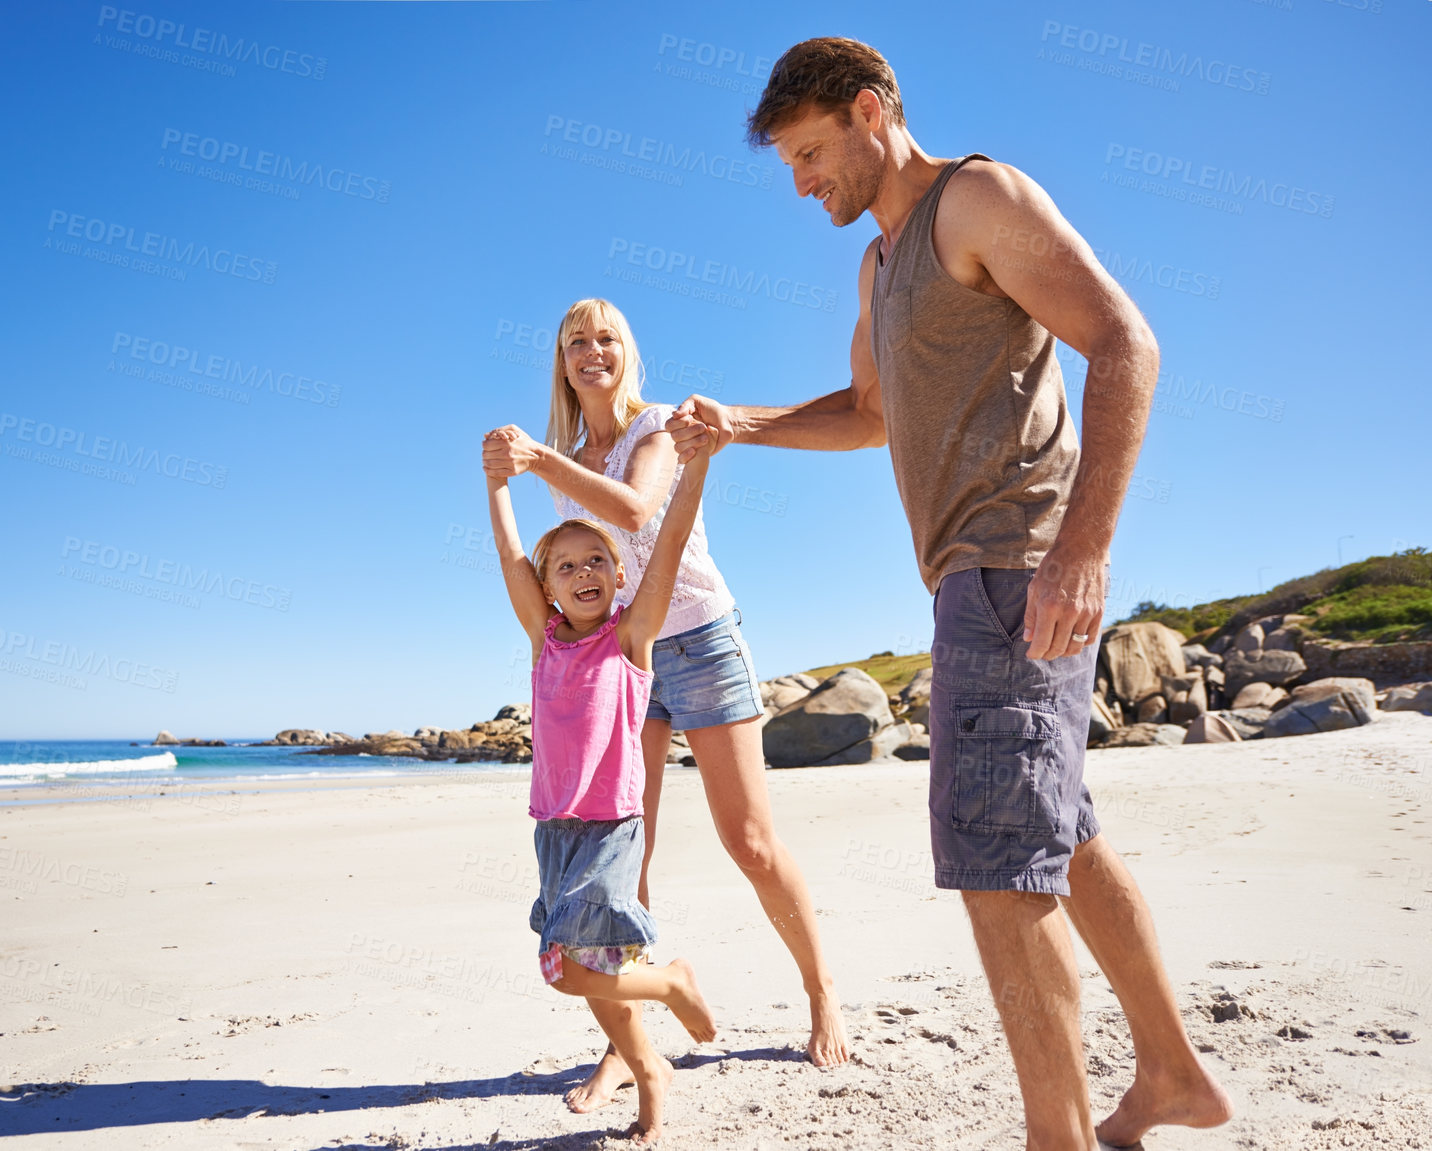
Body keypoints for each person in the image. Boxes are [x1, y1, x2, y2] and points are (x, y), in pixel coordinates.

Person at [666, 37, 1232, 1151]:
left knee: (995, 864)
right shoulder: (878, 267)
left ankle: (1054, 1136)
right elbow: (872, 410)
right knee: (1056, 833)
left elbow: (1124, 343)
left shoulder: (976, 199)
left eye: (811, 151)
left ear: (872, 112)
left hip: (1014, 570)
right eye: (786, 162)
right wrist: (743, 424)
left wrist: (1082, 549)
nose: (800, 181)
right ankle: (1167, 1069)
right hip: (973, 577)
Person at [483, 298, 849, 1099]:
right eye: (575, 341)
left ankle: (821, 992)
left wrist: (537, 460)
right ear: (561, 360)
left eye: (606, 338)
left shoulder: (655, 428)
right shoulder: (569, 460)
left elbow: (639, 511)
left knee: (749, 840)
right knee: (626, 853)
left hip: (701, 640)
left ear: (628, 351)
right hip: (622, 660)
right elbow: (570, 576)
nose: (591, 351)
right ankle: (632, 1041)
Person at [484, 430, 718, 1147]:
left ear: (618, 578)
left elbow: (671, 540)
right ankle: (650, 1070)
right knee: (583, 966)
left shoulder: (629, 638)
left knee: (567, 969)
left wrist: (697, 465)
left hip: (612, 823)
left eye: (596, 562)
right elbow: (507, 556)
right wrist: (497, 480)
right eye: (565, 566)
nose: (583, 573)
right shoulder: (544, 638)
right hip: (555, 827)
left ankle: (674, 982)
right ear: (546, 584)